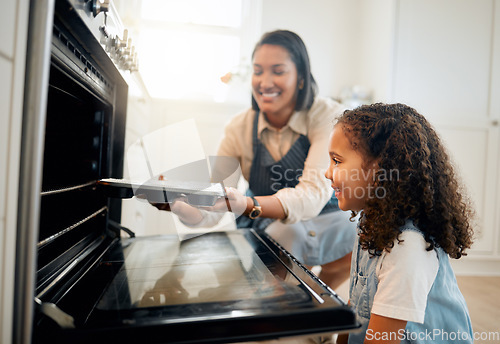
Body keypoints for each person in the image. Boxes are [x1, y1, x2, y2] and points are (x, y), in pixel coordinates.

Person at [156, 29, 356, 290]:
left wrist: (248, 203)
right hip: (266, 223)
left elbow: (311, 196)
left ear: (301, 78)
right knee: (267, 277)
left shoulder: (327, 116)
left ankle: (317, 305)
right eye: (258, 71)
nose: (265, 81)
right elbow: (213, 207)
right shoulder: (238, 128)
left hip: (329, 218)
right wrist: (183, 205)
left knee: (333, 244)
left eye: (278, 71)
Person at [326, 103, 475, 344]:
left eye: (337, 161)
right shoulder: (372, 219)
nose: (327, 172)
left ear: (381, 169)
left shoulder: (407, 248)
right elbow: (356, 301)